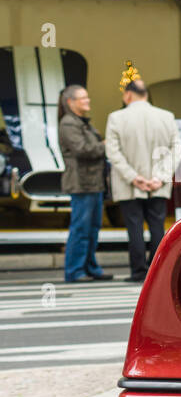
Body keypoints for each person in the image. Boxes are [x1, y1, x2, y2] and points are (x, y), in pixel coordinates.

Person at [105, 80, 181, 282]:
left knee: (134, 227)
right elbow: (176, 151)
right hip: (158, 184)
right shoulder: (167, 116)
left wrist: (134, 177)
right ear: (145, 94)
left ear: (127, 95)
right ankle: (157, 271)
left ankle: (138, 270)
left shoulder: (116, 118)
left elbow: (113, 152)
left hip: (129, 184)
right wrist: (160, 177)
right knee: (157, 225)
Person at [57, 85, 113, 283]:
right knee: (81, 228)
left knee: (92, 227)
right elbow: (83, 150)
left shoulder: (80, 123)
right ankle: (75, 270)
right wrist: (104, 145)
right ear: (70, 102)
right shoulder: (68, 124)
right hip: (81, 183)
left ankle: (90, 267)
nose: (87, 101)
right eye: (83, 98)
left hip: (92, 183)